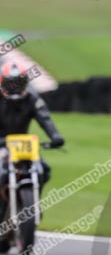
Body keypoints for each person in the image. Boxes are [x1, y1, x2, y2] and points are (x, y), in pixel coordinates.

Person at [0, 62, 64, 223]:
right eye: (10, 84)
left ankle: (33, 204)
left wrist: (55, 136)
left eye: (19, 83)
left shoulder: (32, 98)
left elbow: (45, 118)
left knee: (43, 169)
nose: (15, 88)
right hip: (0, 143)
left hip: (22, 144)